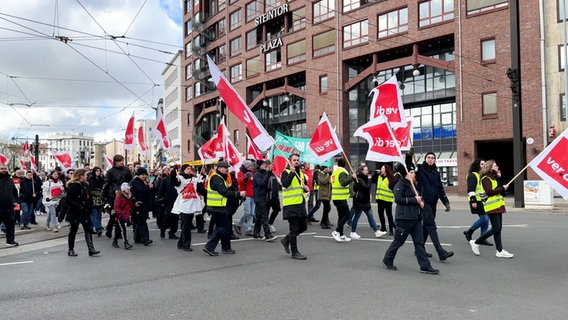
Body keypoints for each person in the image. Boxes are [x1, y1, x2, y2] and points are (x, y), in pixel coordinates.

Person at [382, 165, 439, 275]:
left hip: (416, 218)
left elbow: (418, 197)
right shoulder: (400, 184)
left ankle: (425, 266)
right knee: (398, 241)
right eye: (411, 172)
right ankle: (388, 259)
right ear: (405, 174)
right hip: (404, 218)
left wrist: (421, 201)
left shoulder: (413, 185)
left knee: (419, 243)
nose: (413, 174)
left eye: (414, 172)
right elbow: (398, 199)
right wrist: (414, 200)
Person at [406, 151, 454, 262]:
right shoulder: (420, 169)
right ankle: (441, 252)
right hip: (424, 202)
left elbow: (440, 188)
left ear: (435, 160)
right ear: (425, 159)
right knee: (431, 226)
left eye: (432, 158)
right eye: (428, 157)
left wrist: (445, 201)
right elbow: (408, 165)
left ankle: (419, 249)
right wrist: (410, 154)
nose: (430, 159)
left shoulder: (436, 173)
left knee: (426, 228)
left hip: (433, 203)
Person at [469, 160, 514, 258]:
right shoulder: (486, 178)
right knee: (496, 228)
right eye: (495, 165)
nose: (497, 166)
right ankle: (476, 242)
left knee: (498, 229)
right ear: (490, 167)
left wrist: (499, 180)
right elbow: (489, 192)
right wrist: (502, 188)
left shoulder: (493, 178)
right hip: (492, 206)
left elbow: (499, 190)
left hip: (498, 205)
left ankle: (499, 250)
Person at [203, 161, 245, 256]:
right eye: (224, 167)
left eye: (226, 167)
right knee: (222, 227)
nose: (226, 169)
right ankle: (210, 247)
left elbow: (228, 190)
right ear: (219, 168)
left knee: (225, 227)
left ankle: (225, 247)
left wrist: (236, 193)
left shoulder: (222, 178)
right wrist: (238, 194)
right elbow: (224, 192)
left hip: (221, 206)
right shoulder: (216, 178)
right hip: (217, 207)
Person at [279, 154, 310, 260]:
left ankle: (286, 239)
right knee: (294, 228)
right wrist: (291, 173)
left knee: (304, 227)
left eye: (297, 160)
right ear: (290, 162)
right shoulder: (286, 172)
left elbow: (301, 187)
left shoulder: (300, 173)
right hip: (290, 205)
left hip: (300, 204)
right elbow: (285, 184)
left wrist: (305, 188)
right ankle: (294, 252)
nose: (296, 162)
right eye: (294, 160)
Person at [171, 165, 206, 252]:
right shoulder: (180, 178)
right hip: (184, 204)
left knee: (186, 225)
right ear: (183, 170)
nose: (190, 170)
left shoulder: (194, 179)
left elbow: (201, 189)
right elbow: (174, 182)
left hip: (192, 204)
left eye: (190, 168)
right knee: (186, 225)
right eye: (187, 168)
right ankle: (186, 244)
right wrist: (173, 171)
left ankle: (180, 243)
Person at [65, 169, 100, 257]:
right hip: (75, 212)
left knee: (87, 229)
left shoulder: (85, 185)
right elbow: (69, 200)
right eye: (85, 175)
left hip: (85, 211)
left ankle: (91, 249)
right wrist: (79, 206)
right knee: (73, 230)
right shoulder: (73, 186)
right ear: (81, 176)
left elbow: (89, 197)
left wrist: (89, 206)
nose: (87, 176)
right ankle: (71, 249)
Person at [350, 165, 387, 239]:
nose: (367, 171)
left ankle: (376, 231)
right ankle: (353, 232)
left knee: (370, 216)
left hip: (365, 201)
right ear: (362, 171)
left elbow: (371, 181)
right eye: (366, 170)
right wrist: (369, 180)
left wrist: (375, 174)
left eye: (367, 170)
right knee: (357, 217)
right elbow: (366, 187)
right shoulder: (359, 179)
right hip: (360, 201)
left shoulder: (364, 177)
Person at [101, 154, 133, 239]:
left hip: (124, 194)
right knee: (114, 213)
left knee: (120, 214)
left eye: (122, 160)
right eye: (120, 161)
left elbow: (130, 180)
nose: (122, 162)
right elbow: (106, 184)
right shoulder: (110, 171)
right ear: (116, 162)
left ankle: (115, 231)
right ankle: (111, 230)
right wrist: (104, 197)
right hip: (113, 195)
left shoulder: (126, 170)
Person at [463, 159, 492, 245]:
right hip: (476, 201)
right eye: (482, 164)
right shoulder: (473, 175)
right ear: (477, 165)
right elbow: (471, 189)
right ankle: (469, 231)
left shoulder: (480, 175)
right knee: (484, 218)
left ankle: (482, 237)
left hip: (482, 201)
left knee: (486, 219)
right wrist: (473, 201)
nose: (484, 165)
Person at [331, 158, 356, 242]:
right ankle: (336, 231)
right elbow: (343, 183)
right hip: (341, 198)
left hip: (336, 197)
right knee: (347, 215)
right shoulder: (342, 172)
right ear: (345, 164)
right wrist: (351, 178)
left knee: (341, 216)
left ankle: (341, 234)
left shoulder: (335, 172)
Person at [252, 159, 277, 241]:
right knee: (264, 215)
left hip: (264, 197)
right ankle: (267, 234)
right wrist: (267, 174)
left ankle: (256, 233)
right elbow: (262, 183)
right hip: (259, 197)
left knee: (259, 216)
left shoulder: (264, 173)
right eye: (263, 164)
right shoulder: (257, 174)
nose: (265, 165)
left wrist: (269, 172)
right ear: (259, 166)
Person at [130, 167, 153, 246]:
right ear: (138, 175)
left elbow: (147, 192)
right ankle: (145, 239)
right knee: (142, 222)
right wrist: (135, 201)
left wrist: (151, 188)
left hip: (145, 204)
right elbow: (132, 193)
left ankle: (137, 238)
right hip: (138, 204)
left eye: (145, 175)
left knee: (139, 222)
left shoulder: (145, 182)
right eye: (142, 175)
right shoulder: (134, 182)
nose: (143, 176)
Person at [373, 164, 396, 235]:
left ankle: (391, 229)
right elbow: (373, 180)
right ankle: (383, 228)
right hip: (380, 198)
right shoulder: (379, 177)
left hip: (387, 199)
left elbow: (393, 187)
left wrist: (390, 185)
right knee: (380, 214)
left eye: (382, 168)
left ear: (386, 170)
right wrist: (375, 174)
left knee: (389, 214)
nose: (381, 169)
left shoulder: (390, 178)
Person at [0, 163, 19, 247]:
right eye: (2, 169)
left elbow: (14, 192)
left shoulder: (9, 179)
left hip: (9, 207)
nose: (4, 170)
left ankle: (10, 241)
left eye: (5, 168)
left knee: (11, 224)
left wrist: (15, 201)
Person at [158, 166, 179, 239]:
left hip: (177, 200)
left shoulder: (179, 179)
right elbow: (161, 190)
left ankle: (172, 232)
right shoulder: (165, 180)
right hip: (168, 200)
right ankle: (163, 229)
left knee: (175, 217)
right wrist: (161, 199)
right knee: (168, 216)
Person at [235, 160, 255, 236]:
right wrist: (246, 178)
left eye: (252, 166)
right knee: (248, 212)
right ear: (246, 166)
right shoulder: (241, 173)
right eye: (249, 166)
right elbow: (240, 182)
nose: (251, 167)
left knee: (252, 213)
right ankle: (238, 224)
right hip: (246, 195)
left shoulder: (253, 173)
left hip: (253, 195)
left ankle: (248, 229)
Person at [112, 183, 134, 250]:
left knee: (119, 229)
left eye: (129, 189)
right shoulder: (119, 197)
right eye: (127, 189)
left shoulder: (128, 196)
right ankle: (125, 243)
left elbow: (130, 206)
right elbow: (116, 207)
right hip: (120, 216)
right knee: (123, 229)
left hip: (126, 215)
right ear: (123, 190)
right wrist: (120, 214)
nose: (129, 190)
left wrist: (132, 207)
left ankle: (115, 241)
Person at [88, 166, 105, 236]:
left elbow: (103, 187)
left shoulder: (101, 179)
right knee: (94, 214)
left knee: (99, 214)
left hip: (100, 199)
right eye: (97, 171)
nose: (98, 172)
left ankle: (92, 228)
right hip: (93, 199)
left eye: (99, 171)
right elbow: (91, 189)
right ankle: (98, 228)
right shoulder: (91, 179)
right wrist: (98, 191)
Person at [266, 160, 281, 233]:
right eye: (271, 165)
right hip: (268, 196)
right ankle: (266, 227)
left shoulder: (273, 174)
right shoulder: (266, 174)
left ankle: (270, 223)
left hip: (275, 196)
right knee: (266, 212)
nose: (273, 166)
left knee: (277, 209)